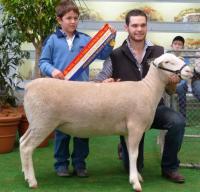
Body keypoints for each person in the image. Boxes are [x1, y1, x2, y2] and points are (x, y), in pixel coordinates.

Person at [95, 9, 185, 183]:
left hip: (154, 109)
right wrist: (105, 85)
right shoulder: (115, 55)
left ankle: (170, 167)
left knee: (178, 122)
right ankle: (124, 145)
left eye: (142, 25)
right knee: (135, 167)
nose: (139, 29)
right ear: (126, 27)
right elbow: (99, 82)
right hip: (127, 114)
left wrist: (173, 82)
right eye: (134, 25)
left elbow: (170, 91)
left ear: (147, 27)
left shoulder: (160, 52)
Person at [39, 0, 115, 177]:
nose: (73, 21)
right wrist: (53, 70)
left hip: (82, 93)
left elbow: (103, 54)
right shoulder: (52, 40)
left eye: (76, 18)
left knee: (83, 129)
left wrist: (111, 39)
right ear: (59, 20)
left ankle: (80, 164)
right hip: (60, 93)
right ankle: (61, 165)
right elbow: (43, 62)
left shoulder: (85, 39)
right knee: (61, 130)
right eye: (69, 18)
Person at [172, 36, 200, 118]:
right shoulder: (168, 57)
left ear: (183, 47)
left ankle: (182, 116)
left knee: (181, 88)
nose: (177, 46)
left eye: (179, 44)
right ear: (172, 45)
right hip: (169, 82)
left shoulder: (187, 59)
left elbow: (190, 73)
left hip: (183, 83)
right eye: (175, 44)